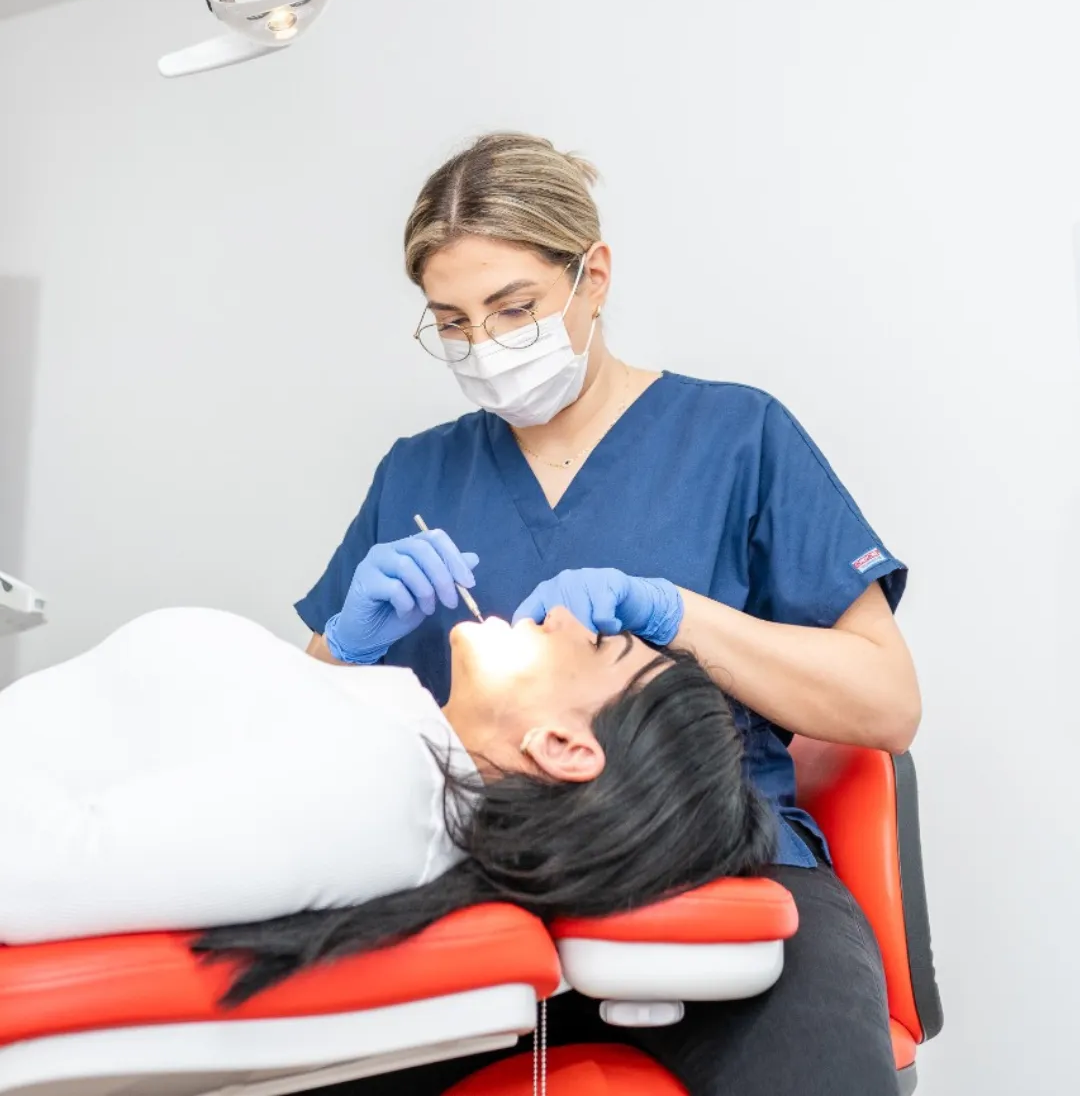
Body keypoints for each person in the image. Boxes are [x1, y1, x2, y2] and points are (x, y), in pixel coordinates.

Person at [294, 133, 922, 1096]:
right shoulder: (417, 473)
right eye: (452, 322)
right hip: (472, 876)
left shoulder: (737, 436)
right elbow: (296, 736)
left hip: (727, 862)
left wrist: (678, 615)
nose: (485, 347)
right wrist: (344, 646)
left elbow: (887, 705)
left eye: (514, 309)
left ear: (593, 277)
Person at [0, 603, 770, 958]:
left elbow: (33, 874)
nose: (566, 615)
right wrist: (331, 651)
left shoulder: (383, 794)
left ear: (566, 746)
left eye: (599, 642)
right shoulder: (392, 754)